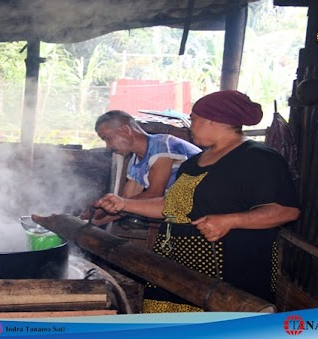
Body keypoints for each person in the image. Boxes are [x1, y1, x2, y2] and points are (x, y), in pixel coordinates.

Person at [96, 90, 300, 312]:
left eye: (194, 119)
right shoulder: (193, 163)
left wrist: (229, 221)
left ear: (215, 120)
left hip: (227, 278)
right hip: (173, 272)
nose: (190, 126)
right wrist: (124, 204)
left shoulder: (259, 158)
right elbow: (172, 207)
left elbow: (286, 211)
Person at [83, 110, 200, 225]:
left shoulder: (163, 145)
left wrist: (107, 209)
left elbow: (154, 194)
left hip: (204, 206)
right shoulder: (135, 161)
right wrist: (96, 219)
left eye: (108, 138)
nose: (108, 146)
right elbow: (127, 201)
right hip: (182, 210)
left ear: (125, 130)